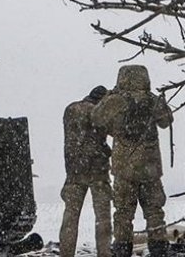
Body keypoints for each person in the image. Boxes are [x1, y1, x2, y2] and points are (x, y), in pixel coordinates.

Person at [92, 65, 173, 257]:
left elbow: (96, 118)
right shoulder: (152, 100)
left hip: (124, 167)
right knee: (154, 211)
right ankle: (158, 248)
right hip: (150, 168)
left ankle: (121, 249)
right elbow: (166, 121)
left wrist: (109, 98)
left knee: (123, 213)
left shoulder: (115, 100)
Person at [60, 85, 112, 257]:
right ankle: (104, 253)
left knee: (70, 218)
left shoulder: (70, 109)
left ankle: (66, 253)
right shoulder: (99, 112)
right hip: (98, 171)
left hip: (74, 171)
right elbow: (114, 131)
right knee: (103, 218)